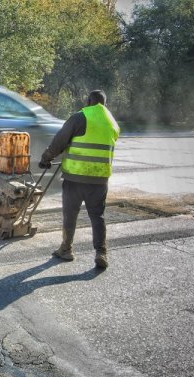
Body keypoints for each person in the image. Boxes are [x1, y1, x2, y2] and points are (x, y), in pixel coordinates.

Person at [38, 90, 120, 269]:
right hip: (99, 178)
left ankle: (66, 249)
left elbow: (60, 141)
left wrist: (46, 158)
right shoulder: (112, 122)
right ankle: (101, 252)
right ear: (104, 104)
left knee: (70, 214)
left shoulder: (80, 117)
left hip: (75, 177)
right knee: (97, 216)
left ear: (89, 101)